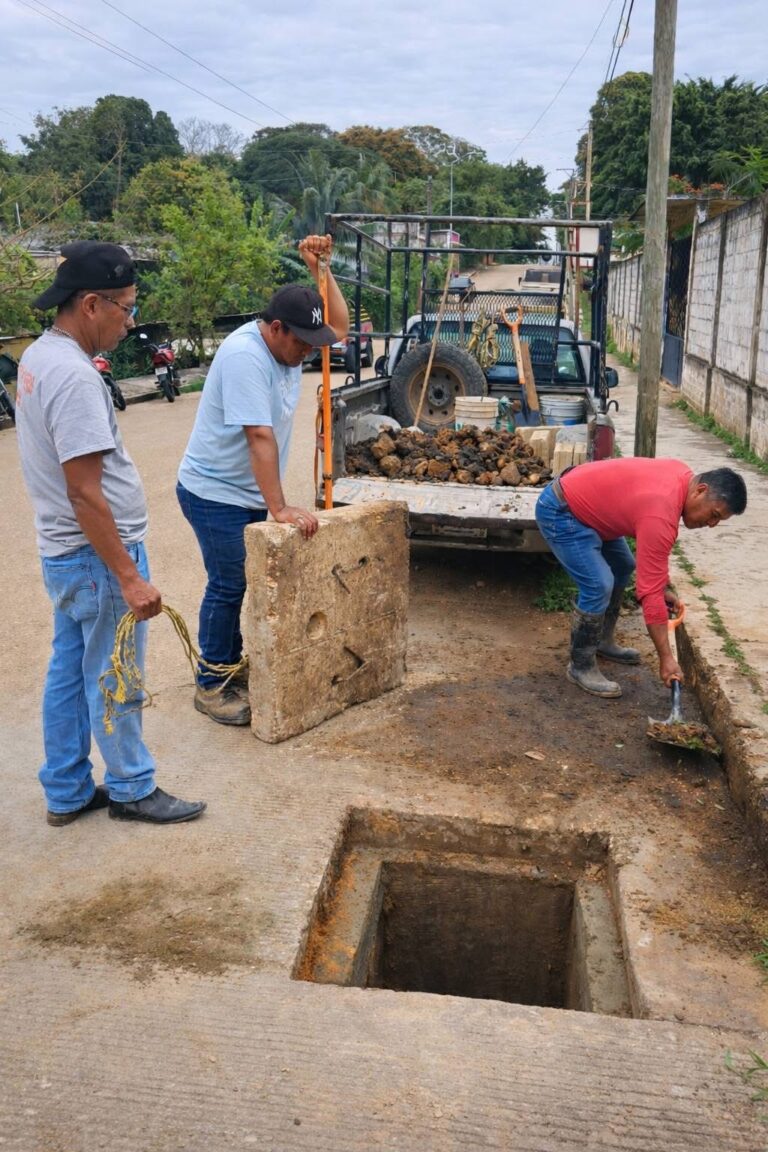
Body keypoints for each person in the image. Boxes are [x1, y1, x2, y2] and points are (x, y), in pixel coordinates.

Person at [15, 241, 206, 825]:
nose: (131, 322)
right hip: (97, 559)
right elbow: (85, 491)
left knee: (70, 671)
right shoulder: (72, 378)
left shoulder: (39, 358)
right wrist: (128, 574)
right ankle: (130, 787)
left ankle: (68, 790)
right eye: (126, 308)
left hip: (66, 555)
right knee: (116, 670)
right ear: (91, 304)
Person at [177, 233, 349, 726]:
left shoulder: (289, 345)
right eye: (301, 343)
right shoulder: (245, 357)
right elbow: (259, 437)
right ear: (276, 329)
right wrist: (279, 508)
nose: (308, 353)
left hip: (245, 489)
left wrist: (321, 268)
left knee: (249, 580)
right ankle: (212, 685)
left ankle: (229, 667)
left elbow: (335, 326)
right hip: (213, 492)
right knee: (230, 582)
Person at [535, 457, 747, 698]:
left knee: (623, 565)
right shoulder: (661, 513)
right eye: (714, 514)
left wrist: (662, 585)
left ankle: (602, 640)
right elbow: (649, 594)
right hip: (562, 511)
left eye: (718, 521)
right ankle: (580, 666)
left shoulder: (682, 475)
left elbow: (654, 560)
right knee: (598, 584)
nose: (711, 524)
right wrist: (667, 659)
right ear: (701, 490)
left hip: (590, 508)